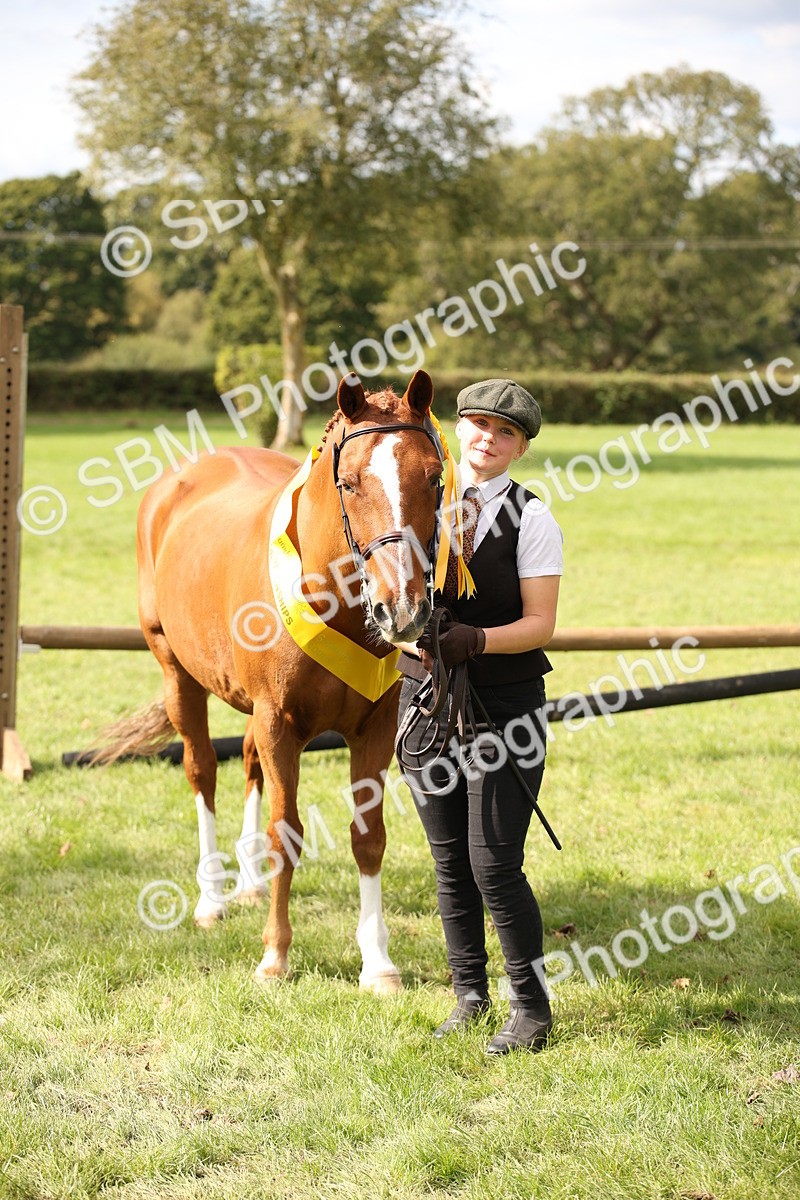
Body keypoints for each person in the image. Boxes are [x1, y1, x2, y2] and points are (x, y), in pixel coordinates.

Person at [396, 378, 563, 1055]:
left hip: (502, 707)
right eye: (477, 425)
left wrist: (478, 639)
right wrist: (413, 630)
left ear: (520, 448)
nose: (487, 438)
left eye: (505, 432)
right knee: (449, 864)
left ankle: (531, 1009)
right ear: (457, 429)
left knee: (494, 862)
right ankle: (469, 996)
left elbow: (541, 623)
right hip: (426, 704)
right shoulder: (417, 505)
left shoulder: (532, 518)